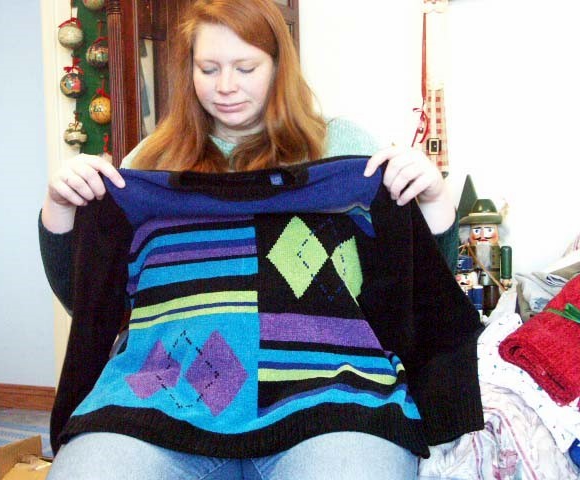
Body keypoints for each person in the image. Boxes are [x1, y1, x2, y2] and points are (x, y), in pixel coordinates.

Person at [40, 1, 482, 479]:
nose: (226, 86)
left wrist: (434, 201)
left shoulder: (346, 147)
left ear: (277, 65)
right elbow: (87, 299)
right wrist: (59, 208)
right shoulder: (149, 161)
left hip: (333, 400)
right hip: (159, 402)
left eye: (245, 68)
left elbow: (421, 288)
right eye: (208, 69)